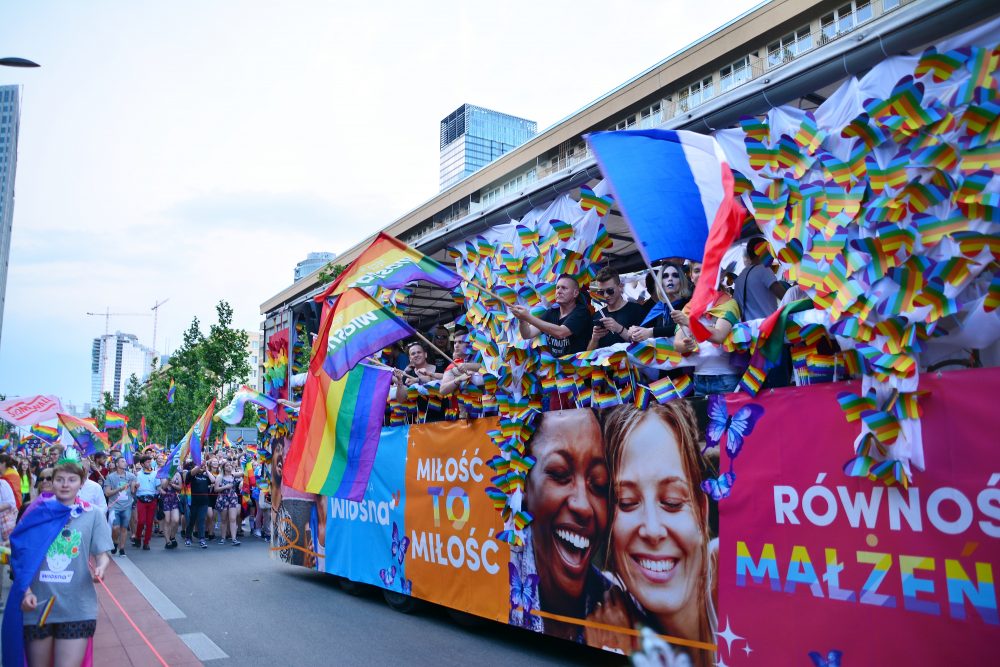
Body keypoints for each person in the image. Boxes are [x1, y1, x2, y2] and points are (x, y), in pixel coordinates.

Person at [587, 402, 717, 666]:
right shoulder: (606, 601)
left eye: (672, 502)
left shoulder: (732, 570)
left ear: (701, 511)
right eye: (626, 502)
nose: (652, 529)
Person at [516, 409, 611, 642]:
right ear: (524, 483)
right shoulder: (497, 571)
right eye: (560, 474)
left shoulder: (620, 607)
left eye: (599, 484)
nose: (583, 506)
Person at [12, 459, 113, 667]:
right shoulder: (35, 513)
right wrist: (26, 592)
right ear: (51, 482)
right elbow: (19, 556)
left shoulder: (92, 514)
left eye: (71, 479)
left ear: (81, 483)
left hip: (77, 606)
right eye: (59, 479)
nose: (65, 484)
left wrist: (102, 567)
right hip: (38, 605)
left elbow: (102, 553)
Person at [671, 291, 742, 396]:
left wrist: (690, 322)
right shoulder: (689, 307)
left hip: (726, 379)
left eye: (703, 272)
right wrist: (686, 345)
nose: (700, 275)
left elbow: (719, 336)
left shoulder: (728, 303)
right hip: (699, 379)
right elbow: (677, 345)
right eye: (696, 272)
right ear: (691, 276)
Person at [511, 274, 592, 357]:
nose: (559, 291)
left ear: (575, 293)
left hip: (577, 366)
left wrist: (528, 317)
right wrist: (522, 320)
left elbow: (561, 332)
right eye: (557, 288)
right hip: (559, 367)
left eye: (564, 288)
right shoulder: (551, 312)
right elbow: (527, 334)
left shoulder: (581, 312)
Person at [629, 263, 694, 342]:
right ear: (660, 282)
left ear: (681, 281)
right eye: (665, 276)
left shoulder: (690, 302)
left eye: (675, 275)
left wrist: (652, 332)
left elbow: (684, 326)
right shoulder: (660, 307)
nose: (670, 279)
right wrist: (635, 331)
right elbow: (645, 329)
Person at [586, 267, 647, 351]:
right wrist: (594, 339)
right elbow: (589, 353)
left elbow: (644, 345)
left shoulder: (636, 310)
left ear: (620, 287)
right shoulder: (597, 316)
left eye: (610, 291)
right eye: (601, 292)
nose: (606, 295)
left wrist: (619, 329)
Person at [733, 237, 786, 321]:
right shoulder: (763, 270)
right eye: (769, 250)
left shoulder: (740, 278)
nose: (772, 254)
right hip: (768, 326)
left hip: (749, 330)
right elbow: (785, 296)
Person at [103, 456, 136, 557]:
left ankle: (122, 548)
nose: (125, 463)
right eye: (122, 461)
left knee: (124, 528)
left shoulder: (131, 476)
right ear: (117, 464)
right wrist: (119, 489)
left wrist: (136, 486)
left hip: (127, 506)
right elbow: (107, 493)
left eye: (125, 461)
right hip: (114, 506)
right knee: (115, 528)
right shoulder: (110, 477)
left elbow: (133, 492)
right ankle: (115, 542)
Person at [132, 456, 159, 551]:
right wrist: (135, 486)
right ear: (142, 464)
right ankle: (138, 537)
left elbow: (158, 487)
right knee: (141, 521)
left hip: (152, 500)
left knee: (149, 523)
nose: (149, 464)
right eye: (147, 462)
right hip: (141, 500)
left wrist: (163, 490)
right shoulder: (137, 474)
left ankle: (146, 542)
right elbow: (133, 489)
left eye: (150, 462)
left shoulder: (155, 473)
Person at [185, 462, 214, 548]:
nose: (201, 467)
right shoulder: (191, 476)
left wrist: (207, 470)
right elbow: (192, 473)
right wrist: (199, 465)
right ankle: (188, 538)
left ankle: (202, 539)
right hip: (193, 502)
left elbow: (213, 480)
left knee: (201, 520)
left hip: (204, 502)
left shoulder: (205, 477)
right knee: (192, 520)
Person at [214, 463, 241, 545]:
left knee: (233, 518)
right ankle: (223, 538)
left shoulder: (233, 475)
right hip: (223, 498)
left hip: (232, 498)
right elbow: (216, 489)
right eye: (227, 466)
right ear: (223, 468)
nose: (229, 466)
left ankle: (234, 539)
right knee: (224, 519)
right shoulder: (220, 476)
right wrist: (226, 487)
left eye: (230, 465)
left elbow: (243, 473)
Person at [159, 467, 182, 549]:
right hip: (165, 498)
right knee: (167, 521)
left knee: (176, 520)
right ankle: (167, 541)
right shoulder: (163, 473)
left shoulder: (177, 474)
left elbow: (180, 487)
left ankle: (172, 536)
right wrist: (168, 479)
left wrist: (173, 484)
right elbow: (163, 487)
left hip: (174, 498)